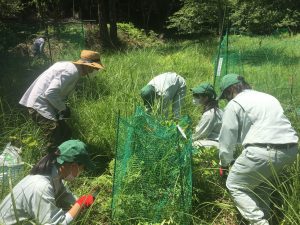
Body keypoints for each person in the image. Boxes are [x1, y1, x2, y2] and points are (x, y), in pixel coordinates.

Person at [218, 74, 298, 225]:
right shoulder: (268, 97)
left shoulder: (234, 103)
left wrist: (224, 163)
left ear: (231, 90)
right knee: (262, 184)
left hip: (263, 151)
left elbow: (226, 139)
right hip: (291, 149)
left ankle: (259, 222)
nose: (226, 99)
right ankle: (267, 217)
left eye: (225, 95)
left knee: (235, 185)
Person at [19, 50, 104, 152]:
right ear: (86, 65)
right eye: (93, 68)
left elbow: (56, 93)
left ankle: (66, 161)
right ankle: (49, 164)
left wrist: (62, 109)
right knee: (54, 137)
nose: (92, 71)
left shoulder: (70, 67)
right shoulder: (71, 72)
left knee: (65, 132)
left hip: (45, 103)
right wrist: (63, 108)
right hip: (40, 104)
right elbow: (50, 93)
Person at [0, 139, 96, 225]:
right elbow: (58, 223)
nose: (81, 172)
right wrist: (80, 203)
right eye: (82, 169)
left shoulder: (54, 176)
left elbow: (64, 195)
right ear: (73, 166)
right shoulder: (41, 186)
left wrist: (80, 203)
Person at [191, 83, 223, 148]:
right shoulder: (216, 110)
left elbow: (199, 134)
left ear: (206, 98)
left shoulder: (210, 114)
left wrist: (186, 140)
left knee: (194, 144)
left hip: (220, 143)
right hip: (221, 141)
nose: (194, 98)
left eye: (197, 96)